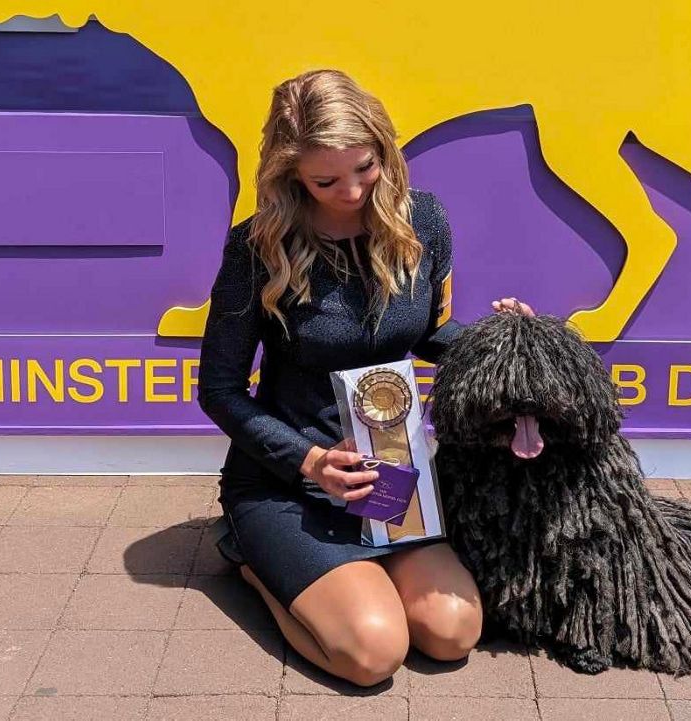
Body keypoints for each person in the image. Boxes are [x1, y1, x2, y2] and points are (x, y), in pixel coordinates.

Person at [198, 68, 532, 687]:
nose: (351, 191)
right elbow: (218, 390)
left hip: (392, 473)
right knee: (373, 656)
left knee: (453, 633)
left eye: (365, 167)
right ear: (289, 170)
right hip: (289, 482)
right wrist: (309, 461)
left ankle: (358, 582)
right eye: (326, 179)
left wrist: (504, 347)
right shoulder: (256, 247)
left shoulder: (422, 221)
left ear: (383, 149)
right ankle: (251, 559)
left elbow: (429, 332)